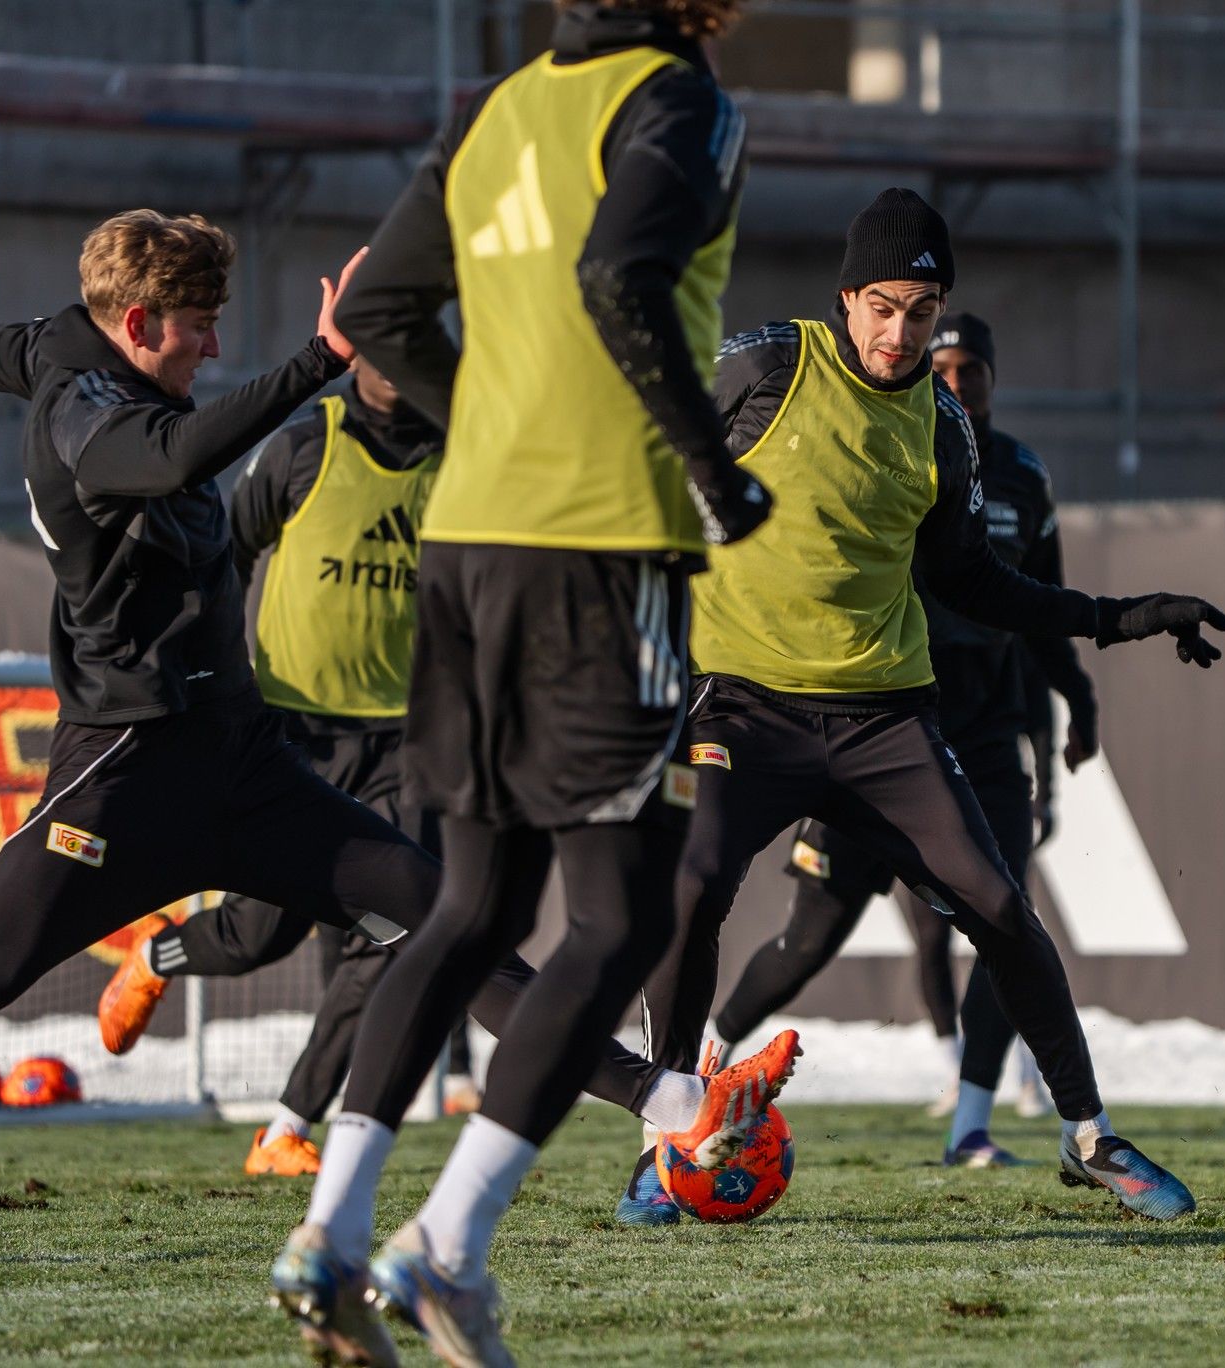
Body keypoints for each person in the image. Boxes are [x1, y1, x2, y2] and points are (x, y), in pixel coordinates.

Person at [269, 3, 793, 1364]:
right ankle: (443, 1249)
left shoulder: (496, 104)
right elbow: (624, 276)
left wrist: (485, 419)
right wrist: (709, 465)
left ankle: (326, 1234)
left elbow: (378, 310)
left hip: (466, 550)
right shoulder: (679, 97)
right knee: (616, 919)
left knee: (471, 905)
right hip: (600, 550)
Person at [582, 187, 1225, 1231]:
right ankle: (669, 1141)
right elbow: (636, 467)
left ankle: (1086, 1135)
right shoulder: (764, 368)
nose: (900, 333)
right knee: (694, 885)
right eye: (884, 306)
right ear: (847, 297)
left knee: (1002, 910)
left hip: (885, 718)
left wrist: (1123, 615)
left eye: (922, 313)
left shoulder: (940, 428)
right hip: (741, 708)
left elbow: (976, 583)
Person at [0, 211, 529, 1133]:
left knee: (452, 922)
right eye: (199, 325)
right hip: (125, 768)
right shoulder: (85, 408)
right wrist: (318, 360)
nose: (216, 346)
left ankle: (673, 1104)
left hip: (244, 759)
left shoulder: (56, 348)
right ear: (142, 322)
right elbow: (173, 456)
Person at [702, 310, 1099, 1178]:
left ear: (993, 379)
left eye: (970, 369)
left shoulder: (1024, 477)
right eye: (943, 366)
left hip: (983, 733)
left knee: (1000, 915)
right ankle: (708, 1057)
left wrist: (1075, 699)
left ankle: (975, 1122)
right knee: (809, 938)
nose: (953, 381)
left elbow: (1036, 601)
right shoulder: (886, 431)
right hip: (871, 717)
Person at [93, 356, 478, 1178]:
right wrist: (210, 683)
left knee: (399, 930)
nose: (393, 360)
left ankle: (286, 1130)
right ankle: (159, 953)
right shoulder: (307, 448)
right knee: (259, 937)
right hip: (294, 733)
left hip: (407, 743)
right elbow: (221, 555)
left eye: (406, 339)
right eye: (376, 338)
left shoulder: (459, 462)